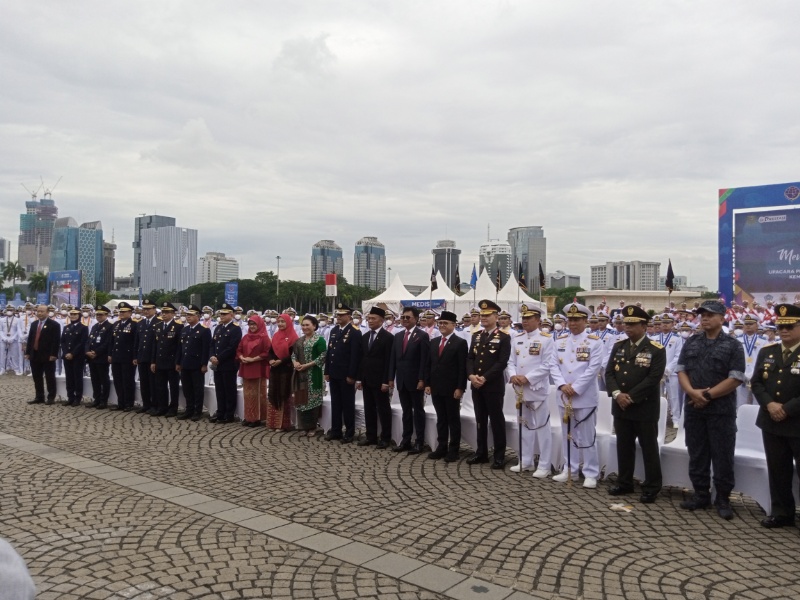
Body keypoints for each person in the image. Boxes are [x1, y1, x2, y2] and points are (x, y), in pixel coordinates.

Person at [676, 300, 745, 520]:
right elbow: (681, 370)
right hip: (694, 407)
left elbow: (735, 378)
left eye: (710, 315)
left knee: (722, 454)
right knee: (697, 452)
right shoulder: (692, 342)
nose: (704, 318)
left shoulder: (733, 345)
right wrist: (692, 393)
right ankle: (700, 494)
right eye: (701, 315)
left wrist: (706, 395)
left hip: (720, 410)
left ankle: (723, 498)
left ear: (722, 318)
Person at [605, 305, 667, 503]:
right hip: (620, 405)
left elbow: (653, 378)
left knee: (648, 448)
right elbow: (609, 373)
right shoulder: (619, 346)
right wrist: (617, 394)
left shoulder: (656, 349)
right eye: (626, 324)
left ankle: (651, 486)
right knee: (624, 446)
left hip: (643, 407)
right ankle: (625, 482)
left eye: (633, 324)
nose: (628, 328)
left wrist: (629, 397)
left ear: (644, 326)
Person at [752, 303, 800, 528]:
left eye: (790, 326)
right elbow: (757, 383)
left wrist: (786, 409)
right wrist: (770, 405)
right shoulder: (767, 351)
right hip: (771, 421)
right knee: (778, 470)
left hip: (797, 422)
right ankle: (782, 513)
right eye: (781, 326)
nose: (784, 331)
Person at [549, 302, 604, 488]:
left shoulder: (595, 342)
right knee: (567, 434)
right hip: (564, 395)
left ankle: (590, 472)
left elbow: (593, 369)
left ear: (585, 321)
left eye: (577, 320)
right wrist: (562, 385)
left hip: (584, 396)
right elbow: (553, 366)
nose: (573, 323)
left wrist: (576, 387)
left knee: (587, 436)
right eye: (570, 320)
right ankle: (569, 468)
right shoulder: (559, 342)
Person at [506, 303, 554, 478]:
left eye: (529, 318)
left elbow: (548, 364)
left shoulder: (546, 339)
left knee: (542, 427)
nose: (525, 321)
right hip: (520, 389)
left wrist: (528, 378)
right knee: (524, 426)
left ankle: (544, 464)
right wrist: (513, 375)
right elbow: (510, 361)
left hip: (537, 388)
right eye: (523, 318)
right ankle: (525, 460)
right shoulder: (517, 338)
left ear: (538, 320)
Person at [466, 299, 512, 469]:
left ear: (496, 316)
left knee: (496, 421)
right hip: (476, 385)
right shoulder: (476, 336)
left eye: (487, 315)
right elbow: (470, 357)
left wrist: (484, 378)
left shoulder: (504, 337)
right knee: (480, 420)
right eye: (482, 315)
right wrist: (471, 376)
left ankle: (499, 456)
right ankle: (481, 452)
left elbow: (502, 363)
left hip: (492, 386)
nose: (483, 318)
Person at [424, 310, 468, 462]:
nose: (442, 325)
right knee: (441, 418)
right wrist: (428, 383)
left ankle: (453, 449)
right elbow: (429, 364)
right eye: (440, 323)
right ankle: (441, 446)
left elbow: (462, 367)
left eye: (445, 323)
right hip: (436, 387)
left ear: (453, 325)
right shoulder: (434, 342)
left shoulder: (460, 343)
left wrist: (460, 388)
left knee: (453, 419)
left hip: (451, 388)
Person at [388, 306, 430, 453]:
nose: (405, 320)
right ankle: (405, 440)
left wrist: (421, 379)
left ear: (416, 319)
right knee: (406, 411)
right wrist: (391, 378)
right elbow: (393, 359)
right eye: (403, 317)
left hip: (415, 380)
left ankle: (419, 442)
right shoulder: (398, 336)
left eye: (408, 317)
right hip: (402, 380)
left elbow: (424, 360)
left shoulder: (422, 336)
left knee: (418, 411)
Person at [324, 303, 363, 442]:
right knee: (336, 403)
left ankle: (349, 432)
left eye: (341, 315)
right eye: (337, 314)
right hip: (334, 373)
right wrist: (327, 370)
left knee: (347, 405)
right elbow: (330, 352)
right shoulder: (334, 330)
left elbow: (355, 356)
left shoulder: (354, 331)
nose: (338, 317)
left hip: (346, 374)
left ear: (349, 316)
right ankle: (336, 430)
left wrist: (352, 375)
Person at [356, 306, 394, 447]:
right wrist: (359, 378)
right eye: (369, 318)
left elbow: (389, 360)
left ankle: (385, 437)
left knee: (383, 409)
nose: (370, 321)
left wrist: (386, 381)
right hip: (367, 378)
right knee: (369, 408)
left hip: (380, 380)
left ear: (382, 320)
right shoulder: (365, 336)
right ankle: (371, 436)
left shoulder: (388, 337)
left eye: (373, 318)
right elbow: (362, 359)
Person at [292, 315, 327, 436]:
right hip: (300, 375)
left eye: (307, 325)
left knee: (313, 401)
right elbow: (293, 354)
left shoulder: (319, 340)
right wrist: (295, 363)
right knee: (301, 400)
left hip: (314, 375)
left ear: (314, 326)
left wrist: (307, 365)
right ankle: (302, 426)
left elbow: (322, 356)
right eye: (303, 325)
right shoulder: (299, 340)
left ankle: (312, 427)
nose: (305, 327)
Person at [176, 305, 212, 421]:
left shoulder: (204, 330)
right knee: (187, 389)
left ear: (198, 316)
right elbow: (180, 348)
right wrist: (178, 362)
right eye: (187, 315)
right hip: (185, 363)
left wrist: (204, 364)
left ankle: (197, 411)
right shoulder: (185, 329)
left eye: (191, 315)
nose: (188, 317)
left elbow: (205, 349)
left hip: (196, 364)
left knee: (197, 389)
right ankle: (189, 409)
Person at [209, 303, 243, 423]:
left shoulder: (235, 328)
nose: (222, 316)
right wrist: (212, 356)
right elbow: (212, 344)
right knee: (219, 390)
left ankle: (229, 414)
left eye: (224, 314)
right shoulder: (218, 328)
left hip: (228, 364)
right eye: (221, 314)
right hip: (217, 364)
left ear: (232, 315)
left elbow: (232, 347)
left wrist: (218, 357)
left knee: (229, 390)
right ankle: (220, 412)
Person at [236, 314, 271, 427]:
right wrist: (242, 357)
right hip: (246, 366)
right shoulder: (246, 337)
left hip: (258, 367)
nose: (252, 326)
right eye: (250, 324)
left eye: (254, 324)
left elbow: (267, 352)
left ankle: (257, 418)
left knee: (257, 394)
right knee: (248, 394)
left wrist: (253, 359)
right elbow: (239, 349)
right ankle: (249, 416)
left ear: (259, 324)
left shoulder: (264, 337)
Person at [150, 303, 183, 417]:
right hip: (159, 361)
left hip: (172, 361)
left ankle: (173, 408)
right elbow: (155, 345)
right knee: (160, 386)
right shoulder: (158, 326)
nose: (164, 315)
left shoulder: (178, 327)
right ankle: (162, 407)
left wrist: (178, 362)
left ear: (173, 314)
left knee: (173, 387)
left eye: (167, 313)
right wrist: (153, 361)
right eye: (163, 312)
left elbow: (179, 346)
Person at [266, 313, 298, 430]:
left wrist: (280, 361)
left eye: (283, 322)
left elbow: (293, 355)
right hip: (274, 369)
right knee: (273, 393)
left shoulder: (294, 337)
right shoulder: (275, 336)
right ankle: (272, 423)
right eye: (279, 322)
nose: (280, 324)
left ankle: (283, 424)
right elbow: (270, 351)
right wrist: (270, 360)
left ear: (288, 322)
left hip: (286, 369)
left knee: (283, 394)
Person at [25, 304, 61, 405]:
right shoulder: (34, 324)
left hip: (47, 355)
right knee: (37, 377)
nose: (39, 313)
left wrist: (53, 354)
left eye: (42, 311)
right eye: (38, 311)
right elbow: (30, 339)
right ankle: (39, 396)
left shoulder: (54, 325)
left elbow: (56, 341)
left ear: (47, 312)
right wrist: (28, 352)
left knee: (49, 377)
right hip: (35, 354)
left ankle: (51, 397)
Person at [737, 313, 769, 408]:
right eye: (746, 324)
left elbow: (765, 359)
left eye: (751, 324)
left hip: (757, 374)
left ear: (757, 326)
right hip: (741, 374)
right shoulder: (737, 340)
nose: (748, 326)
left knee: (758, 402)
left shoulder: (763, 341)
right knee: (740, 402)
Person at [109, 301, 136, 411]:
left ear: (130, 313)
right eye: (120, 311)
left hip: (127, 357)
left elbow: (135, 342)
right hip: (116, 356)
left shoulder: (134, 325)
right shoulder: (116, 324)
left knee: (127, 381)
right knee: (118, 380)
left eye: (124, 312)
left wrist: (134, 357)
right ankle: (120, 402)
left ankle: (129, 403)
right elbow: (111, 341)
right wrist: (110, 354)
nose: (121, 313)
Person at [85, 305, 113, 409]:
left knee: (103, 380)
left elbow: (107, 343)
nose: (98, 316)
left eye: (101, 314)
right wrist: (87, 351)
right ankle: (96, 399)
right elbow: (89, 340)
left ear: (106, 315)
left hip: (101, 357)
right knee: (94, 380)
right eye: (97, 314)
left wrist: (96, 352)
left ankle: (103, 401)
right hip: (92, 358)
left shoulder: (109, 326)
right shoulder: (95, 326)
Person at [133, 299, 158, 414]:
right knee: (144, 383)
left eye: (148, 309)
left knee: (153, 383)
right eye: (144, 309)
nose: (146, 311)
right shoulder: (141, 323)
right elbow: (137, 342)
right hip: (142, 357)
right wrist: (135, 356)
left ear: (154, 310)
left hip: (153, 357)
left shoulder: (158, 322)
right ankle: (146, 404)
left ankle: (154, 405)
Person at [60, 308, 88, 407]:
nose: (73, 316)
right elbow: (63, 341)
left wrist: (73, 353)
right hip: (67, 356)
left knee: (77, 377)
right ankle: (70, 397)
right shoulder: (66, 327)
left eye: (75, 315)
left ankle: (77, 398)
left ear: (79, 316)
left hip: (77, 356)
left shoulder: (83, 328)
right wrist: (66, 352)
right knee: (69, 377)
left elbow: (82, 343)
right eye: (71, 314)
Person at [0, 306, 23, 376]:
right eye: (8, 310)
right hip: (3, 339)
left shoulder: (17, 320)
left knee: (14, 355)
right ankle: (2, 369)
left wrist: (13, 338)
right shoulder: (1, 320)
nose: (9, 311)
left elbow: (18, 330)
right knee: (2, 355)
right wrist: (4, 338)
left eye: (10, 310)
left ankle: (16, 369)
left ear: (13, 311)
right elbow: (0, 330)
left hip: (14, 339)